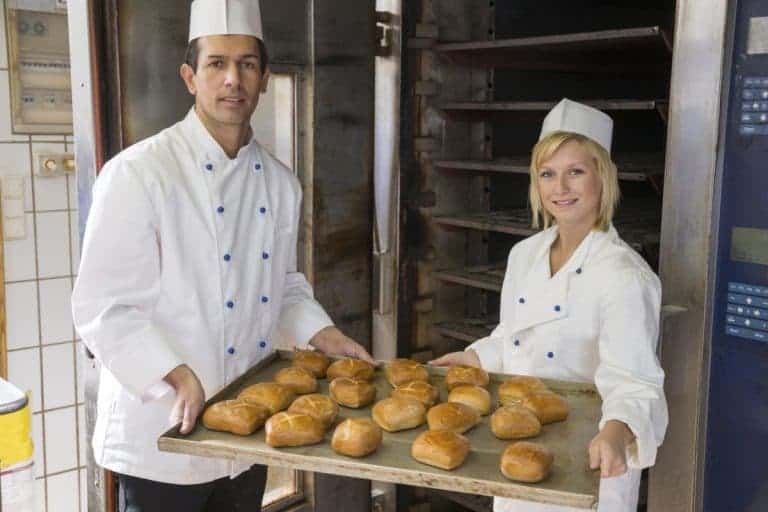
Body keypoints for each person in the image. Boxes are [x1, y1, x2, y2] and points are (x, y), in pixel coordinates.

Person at [71, 1, 374, 510]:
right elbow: (103, 306)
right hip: (162, 436)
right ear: (190, 77)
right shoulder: (139, 174)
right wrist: (175, 372)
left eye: (247, 65)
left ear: (265, 79)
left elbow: (285, 285)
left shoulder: (280, 184)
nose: (233, 79)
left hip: (245, 434)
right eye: (217, 63)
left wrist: (325, 335)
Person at [431, 99, 668, 512]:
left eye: (576, 172)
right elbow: (513, 335)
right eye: (548, 174)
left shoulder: (624, 275)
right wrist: (473, 356)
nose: (560, 188)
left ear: (603, 178)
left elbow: (634, 378)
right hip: (519, 442)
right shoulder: (525, 253)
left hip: (587, 454)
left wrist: (616, 432)